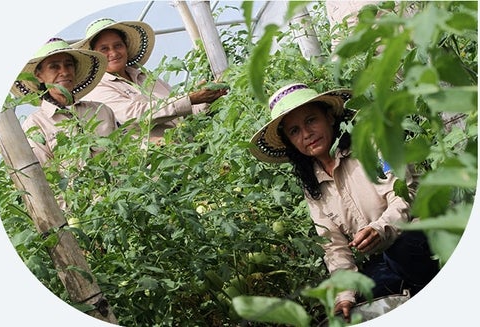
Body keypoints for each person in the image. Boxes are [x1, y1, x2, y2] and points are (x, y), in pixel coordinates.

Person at [249, 83, 440, 321]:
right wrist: (345, 295)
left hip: (422, 234)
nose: (306, 134)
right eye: (295, 131)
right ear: (290, 142)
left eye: (311, 120)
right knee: (359, 302)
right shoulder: (314, 187)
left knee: (402, 253)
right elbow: (333, 245)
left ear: (329, 117)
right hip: (388, 259)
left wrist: (380, 229)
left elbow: (405, 193)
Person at [72, 18, 227, 145]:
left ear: (126, 47)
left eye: (118, 45)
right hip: (155, 166)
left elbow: (183, 115)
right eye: (104, 49)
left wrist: (207, 98)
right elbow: (137, 115)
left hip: (188, 151)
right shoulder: (98, 89)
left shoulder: (146, 78)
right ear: (95, 56)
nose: (113, 53)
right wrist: (190, 98)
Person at [11, 37, 118, 167]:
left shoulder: (101, 111)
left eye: (69, 65)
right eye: (54, 67)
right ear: (39, 76)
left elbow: (122, 154)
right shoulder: (35, 124)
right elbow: (48, 175)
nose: (64, 72)